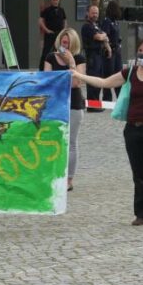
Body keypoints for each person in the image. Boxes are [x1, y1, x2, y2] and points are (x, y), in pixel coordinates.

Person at [73, 37, 143, 227]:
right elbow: (104, 82)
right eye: (140, 49)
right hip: (133, 129)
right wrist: (79, 75)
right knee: (138, 173)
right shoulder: (130, 72)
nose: (142, 53)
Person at [43, 28, 87, 191]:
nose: (64, 44)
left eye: (67, 42)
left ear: (73, 44)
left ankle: (69, 179)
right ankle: (53, 174)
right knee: (53, 140)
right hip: (54, 105)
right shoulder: (50, 57)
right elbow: (47, 81)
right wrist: (63, 80)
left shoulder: (79, 58)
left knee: (71, 142)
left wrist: (71, 63)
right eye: (62, 41)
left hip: (73, 105)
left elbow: (76, 83)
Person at [81, 5, 110, 111]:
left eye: (96, 13)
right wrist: (103, 36)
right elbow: (99, 37)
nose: (95, 15)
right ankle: (92, 106)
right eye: (93, 13)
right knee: (93, 81)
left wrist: (104, 37)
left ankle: (96, 104)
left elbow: (104, 36)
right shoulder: (87, 26)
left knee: (99, 80)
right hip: (92, 56)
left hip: (99, 55)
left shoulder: (96, 26)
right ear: (87, 13)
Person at [100, 0, 123, 101]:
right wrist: (108, 48)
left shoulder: (116, 22)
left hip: (117, 51)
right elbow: (105, 36)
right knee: (108, 75)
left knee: (119, 74)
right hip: (110, 52)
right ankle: (107, 98)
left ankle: (120, 97)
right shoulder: (107, 21)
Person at [38, 0, 68, 69]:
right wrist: (46, 30)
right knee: (46, 51)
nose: (55, 1)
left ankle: (63, 66)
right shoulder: (47, 10)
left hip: (59, 34)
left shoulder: (61, 10)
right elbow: (40, 21)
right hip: (50, 34)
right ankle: (42, 68)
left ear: (59, 1)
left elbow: (65, 21)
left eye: (57, 0)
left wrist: (64, 31)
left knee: (62, 50)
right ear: (51, 1)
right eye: (54, 0)